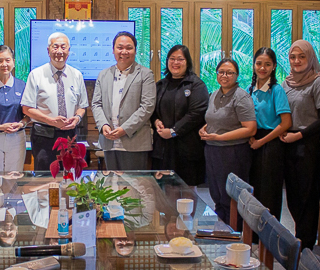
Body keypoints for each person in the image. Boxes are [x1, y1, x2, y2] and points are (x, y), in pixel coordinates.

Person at [281, 40, 320, 250]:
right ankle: (299, 237)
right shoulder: (286, 83)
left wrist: (299, 135)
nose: (297, 61)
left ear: (310, 59)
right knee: (292, 197)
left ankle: (306, 244)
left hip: (308, 145)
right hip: (288, 145)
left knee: (308, 197)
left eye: (302, 57)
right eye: (293, 57)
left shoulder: (318, 83)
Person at [199, 58, 257, 223]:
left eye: (230, 73)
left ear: (237, 75)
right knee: (216, 194)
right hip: (212, 150)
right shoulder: (215, 94)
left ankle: (235, 236)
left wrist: (220, 137)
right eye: (221, 72)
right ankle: (222, 231)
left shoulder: (241, 97)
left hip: (233, 152)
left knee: (230, 196)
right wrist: (205, 128)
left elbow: (250, 128)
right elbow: (215, 119)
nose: (225, 75)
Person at [21, 32, 88, 171]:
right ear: (48, 50)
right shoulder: (36, 74)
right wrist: (50, 120)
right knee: (44, 179)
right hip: (44, 136)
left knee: (69, 177)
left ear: (69, 50)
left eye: (63, 47)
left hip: (70, 136)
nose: (59, 51)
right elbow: (26, 108)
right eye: (55, 47)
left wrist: (77, 118)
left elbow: (82, 106)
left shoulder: (77, 75)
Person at [91, 31, 155, 170]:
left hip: (135, 141)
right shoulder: (103, 74)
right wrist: (103, 125)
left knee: (135, 186)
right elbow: (96, 104)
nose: (124, 51)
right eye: (120, 47)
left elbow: (147, 106)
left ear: (135, 51)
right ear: (113, 50)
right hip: (109, 140)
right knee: (112, 187)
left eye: (129, 48)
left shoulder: (145, 74)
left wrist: (124, 129)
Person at [151, 45, 208, 186]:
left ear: (187, 62)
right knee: (163, 191)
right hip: (163, 148)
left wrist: (173, 131)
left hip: (187, 148)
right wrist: (156, 120)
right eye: (172, 59)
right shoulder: (161, 84)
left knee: (186, 193)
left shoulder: (196, 85)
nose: (175, 63)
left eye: (180, 59)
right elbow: (152, 110)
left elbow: (196, 114)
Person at [248, 48, 292, 220]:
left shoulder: (276, 90)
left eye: (267, 64)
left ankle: (270, 239)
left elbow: (286, 123)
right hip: (253, 142)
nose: (262, 68)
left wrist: (261, 141)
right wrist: (252, 138)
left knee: (269, 192)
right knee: (254, 189)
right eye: (259, 63)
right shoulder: (250, 89)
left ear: (273, 66)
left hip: (271, 144)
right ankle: (254, 238)